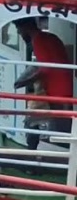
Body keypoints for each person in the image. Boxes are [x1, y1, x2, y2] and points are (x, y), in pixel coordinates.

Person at [13, 18, 74, 149]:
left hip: (57, 89)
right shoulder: (50, 37)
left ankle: (32, 156)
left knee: (36, 122)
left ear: (25, 27)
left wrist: (25, 81)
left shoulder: (39, 41)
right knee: (55, 122)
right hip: (65, 85)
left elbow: (45, 68)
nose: (18, 33)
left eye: (19, 29)